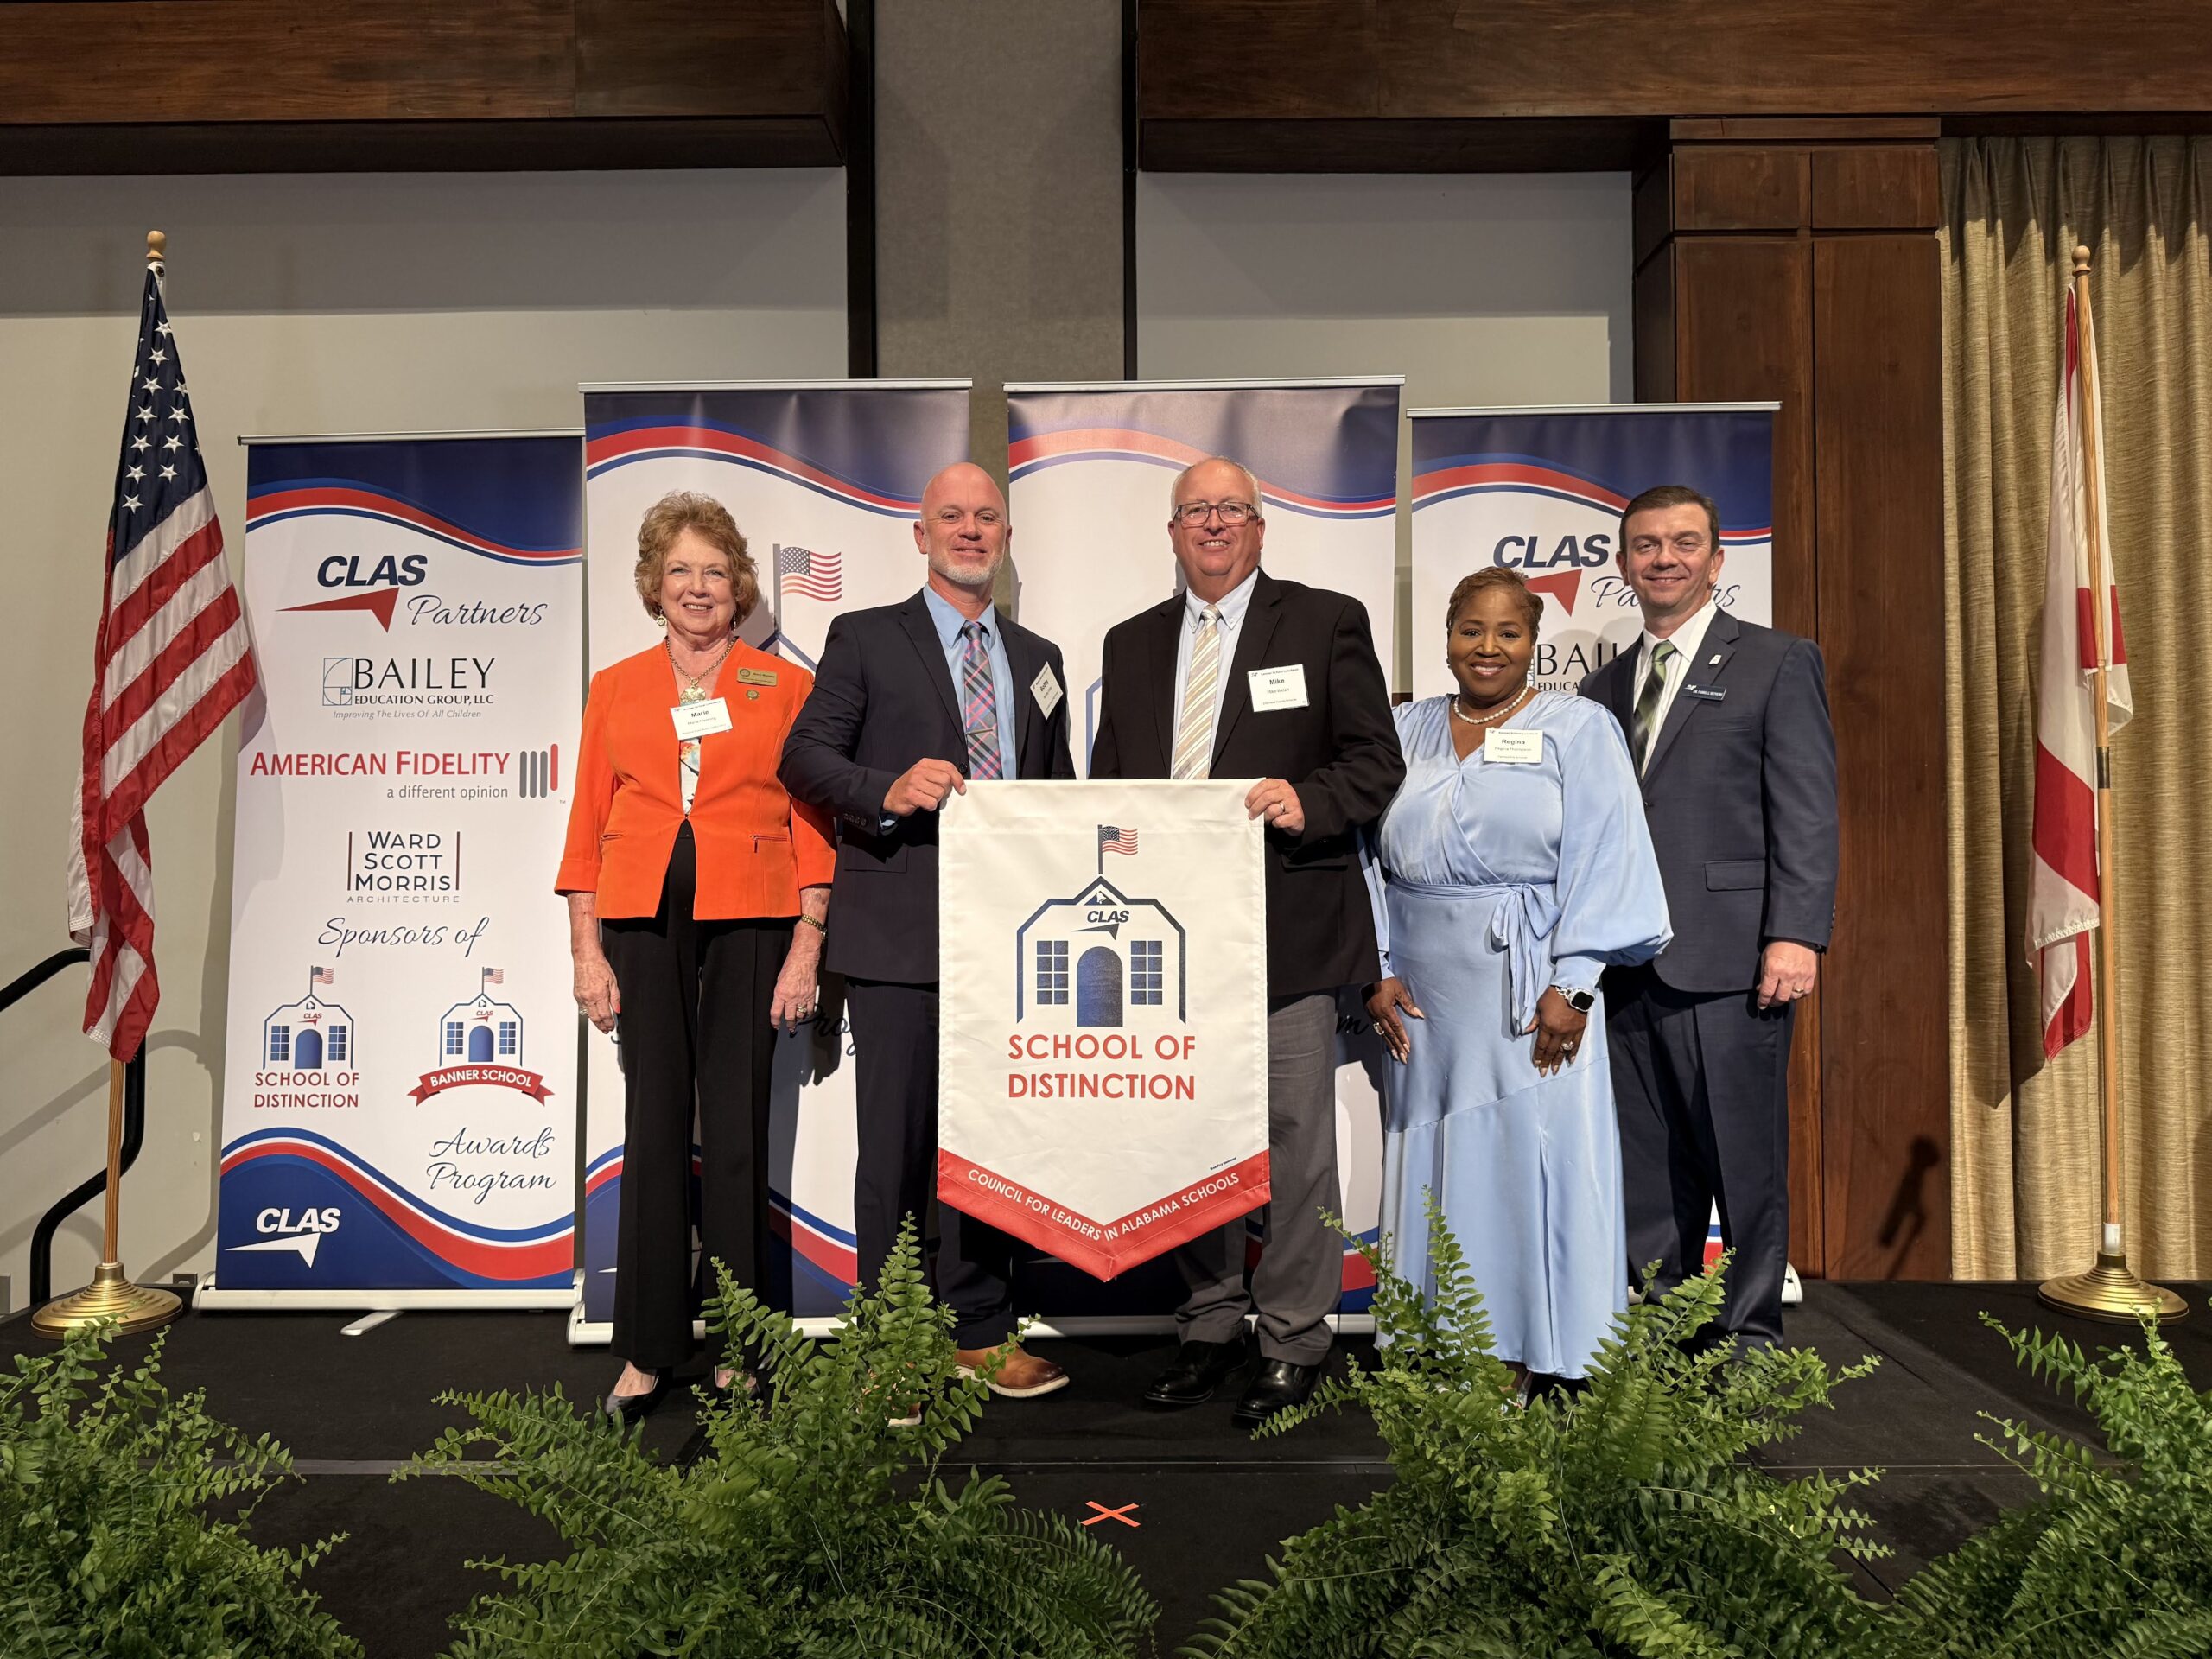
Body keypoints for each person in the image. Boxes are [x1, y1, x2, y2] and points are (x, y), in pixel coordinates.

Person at [1090, 454, 1404, 1425]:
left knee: (1294, 1142)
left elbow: (1373, 763)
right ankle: (1209, 1321)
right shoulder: (1130, 643)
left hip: (1288, 930)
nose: (1214, 525)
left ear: (1260, 528)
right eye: (1196, 512)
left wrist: (1305, 801)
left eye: (1232, 509)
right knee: (1189, 1140)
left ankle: (1294, 1336)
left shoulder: (1323, 621)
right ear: (1173, 531)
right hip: (1169, 944)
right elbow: (1111, 787)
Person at [779, 461, 1076, 1403]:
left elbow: (1056, 792)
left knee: (993, 1147)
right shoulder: (865, 637)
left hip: (1010, 943)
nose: (970, 530)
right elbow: (804, 756)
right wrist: (886, 790)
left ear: (1007, 537)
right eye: (951, 515)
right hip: (898, 937)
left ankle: (981, 1332)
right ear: (920, 534)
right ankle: (895, 1345)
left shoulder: (1039, 658)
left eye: (987, 517)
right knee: (898, 1148)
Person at [557, 491, 835, 1422]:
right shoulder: (617, 687)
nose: (698, 587)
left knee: (737, 1134)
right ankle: (646, 1350)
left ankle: (746, 1349)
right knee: (655, 1127)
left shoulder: (781, 686)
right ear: (653, 584)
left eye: (715, 570)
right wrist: (586, 953)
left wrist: (807, 947)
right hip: (642, 922)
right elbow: (586, 829)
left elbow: (812, 824)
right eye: (680, 570)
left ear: (740, 586)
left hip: (753, 917)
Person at [1363, 568, 1670, 1386]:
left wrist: (1575, 984)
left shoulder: (1579, 728)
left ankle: (1524, 1344)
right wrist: (1375, 966)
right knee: (1434, 1152)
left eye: (1508, 632)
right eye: (1471, 629)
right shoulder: (1403, 727)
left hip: (1529, 984)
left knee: (1523, 1154)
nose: (1487, 648)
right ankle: (1436, 1334)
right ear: (1448, 635)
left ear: (1534, 642)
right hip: (1422, 992)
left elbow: (1607, 856)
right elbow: (1361, 857)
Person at [1579, 483, 1838, 1350]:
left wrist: (1795, 933)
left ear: (1716, 561)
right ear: (1622, 566)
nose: (1663, 558)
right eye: (1646, 545)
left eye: (1683, 543)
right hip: (1623, 968)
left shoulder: (1776, 661)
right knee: (1647, 1168)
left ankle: (1750, 1336)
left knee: (1741, 1161)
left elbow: (1805, 810)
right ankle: (1661, 1334)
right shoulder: (1602, 687)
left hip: (1732, 960)